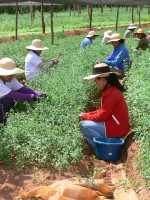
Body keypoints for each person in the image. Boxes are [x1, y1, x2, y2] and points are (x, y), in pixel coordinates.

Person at [79, 63, 129, 153]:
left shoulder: (111, 93)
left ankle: (102, 150)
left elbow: (102, 116)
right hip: (117, 127)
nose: (96, 84)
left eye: (96, 81)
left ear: (102, 79)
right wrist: (87, 114)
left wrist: (84, 116)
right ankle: (104, 145)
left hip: (116, 130)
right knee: (87, 121)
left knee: (83, 125)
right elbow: (103, 111)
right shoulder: (111, 90)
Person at [0, 57, 46, 126]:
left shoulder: (11, 78)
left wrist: (40, 94)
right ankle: (2, 123)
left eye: (13, 73)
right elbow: (13, 95)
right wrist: (33, 97)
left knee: (10, 101)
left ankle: (7, 118)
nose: (12, 76)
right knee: (8, 100)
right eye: (10, 74)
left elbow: (23, 89)